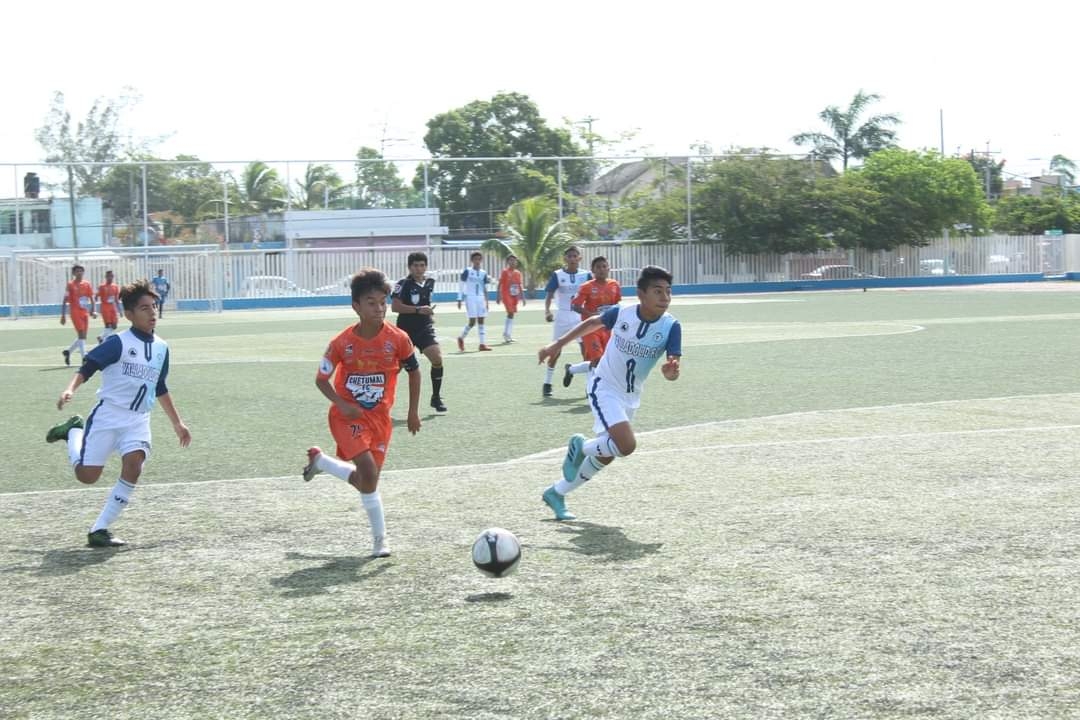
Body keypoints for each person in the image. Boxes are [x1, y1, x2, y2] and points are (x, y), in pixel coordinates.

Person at [46, 279, 192, 547]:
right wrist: (70, 389)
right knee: (87, 476)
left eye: (154, 307)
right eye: (145, 308)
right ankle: (74, 431)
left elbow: (160, 386)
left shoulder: (162, 347)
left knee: (134, 464)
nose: (152, 313)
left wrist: (177, 423)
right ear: (129, 314)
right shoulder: (118, 343)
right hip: (109, 416)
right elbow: (88, 366)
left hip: (138, 419)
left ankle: (99, 529)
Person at [537, 265, 682, 521]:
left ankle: (556, 493)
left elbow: (672, 367)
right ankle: (581, 446)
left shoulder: (671, 327)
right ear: (641, 294)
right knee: (626, 446)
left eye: (668, 292)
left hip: (630, 396)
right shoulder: (623, 312)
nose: (665, 297)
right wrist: (556, 344)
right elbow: (592, 323)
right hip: (603, 386)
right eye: (658, 291)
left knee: (607, 454)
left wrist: (671, 372)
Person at [302, 268, 422, 558]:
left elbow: (415, 372)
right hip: (347, 417)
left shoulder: (399, 339)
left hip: (380, 420)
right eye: (371, 302)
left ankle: (323, 463)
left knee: (368, 481)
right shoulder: (341, 343)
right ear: (355, 306)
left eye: (383, 301)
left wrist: (412, 412)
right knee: (368, 472)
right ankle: (381, 541)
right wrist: (340, 403)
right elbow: (321, 379)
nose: (379, 308)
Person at [391, 252, 448, 413]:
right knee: (396, 368)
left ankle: (436, 398)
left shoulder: (430, 282)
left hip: (424, 329)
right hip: (405, 332)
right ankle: (381, 398)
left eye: (422, 265)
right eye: (416, 265)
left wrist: (428, 312)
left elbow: (425, 303)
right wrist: (418, 310)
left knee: (437, 358)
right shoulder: (403, 284)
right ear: (409, 267)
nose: (419, 268)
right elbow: (395, 307)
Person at [563, 256, 622, 388]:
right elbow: (575, 306)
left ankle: (571, 369)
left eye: (604, 266)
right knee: (596, 359)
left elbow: (617, 304)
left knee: (606, 360)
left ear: (608, 268)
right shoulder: (586, 287)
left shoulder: (614, 285)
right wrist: (591, 316)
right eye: (598, 267)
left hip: (608, 329)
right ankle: (592, 390)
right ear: (592, 270)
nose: (601, 269)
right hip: (591, 329)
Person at [541, 246, 591, 397]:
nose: (572, 259)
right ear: (565, 259)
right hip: (562, 316)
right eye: (569, 256)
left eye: (575, 256)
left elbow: (592, 294)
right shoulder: (558, 275)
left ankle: (589, 386)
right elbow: (549, 294)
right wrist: (548, 311)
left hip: (579, 316)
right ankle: (547, 383)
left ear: (579, 258)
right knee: (556, 350)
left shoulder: (586, 275)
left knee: (586, 350)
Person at [456, 251, 493, 352]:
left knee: (481, 320)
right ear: (472, 260)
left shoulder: (483, 273)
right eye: (475, 259)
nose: (477, 261)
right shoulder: (467, 271)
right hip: (470, 298)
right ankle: (461, 338)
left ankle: (482, 344)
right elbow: (461, 285)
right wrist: (459, 298)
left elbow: (484, 288)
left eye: (479, 259)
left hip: (480, 298)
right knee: (472, 322)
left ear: (481, 260)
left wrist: (487, 301)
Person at [60, 264, 96, 367]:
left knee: (83, 336)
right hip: (75, 312)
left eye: (81, 271)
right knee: (81, 333)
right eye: (77, 271)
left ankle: (68, 352)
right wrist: (63, 315)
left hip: (84, 312)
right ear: (73, 273)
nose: (79, 273)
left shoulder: (87, 284)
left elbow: (91, 297)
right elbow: (65, 299)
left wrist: (92, 309)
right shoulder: (70, 285)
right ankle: (84, 357)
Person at [496, 254, 525, 343]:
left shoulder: (518, 273)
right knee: (510, 312)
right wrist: (498, 295)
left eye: (514, 260)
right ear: (508, 262)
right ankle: (506, 334)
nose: (513, 262)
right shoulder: (505, 272)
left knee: (511, 314)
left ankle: (508, 334)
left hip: (514, 296)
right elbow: (500, 284)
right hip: (506, 295)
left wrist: (523, 297)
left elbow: (520, 285)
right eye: (511, 260)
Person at [96, 269, 121, 344]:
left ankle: (101, 337)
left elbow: (116, 299)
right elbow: (96, 296)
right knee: (108, 325)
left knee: (114, 326)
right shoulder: (102, 286)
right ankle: (104, 341)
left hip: (112, 308)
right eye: (108, 276)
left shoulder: (115, 286)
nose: (110, 277)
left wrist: (120, 310)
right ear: (106, 277)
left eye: (111, 276)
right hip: (105, 307)